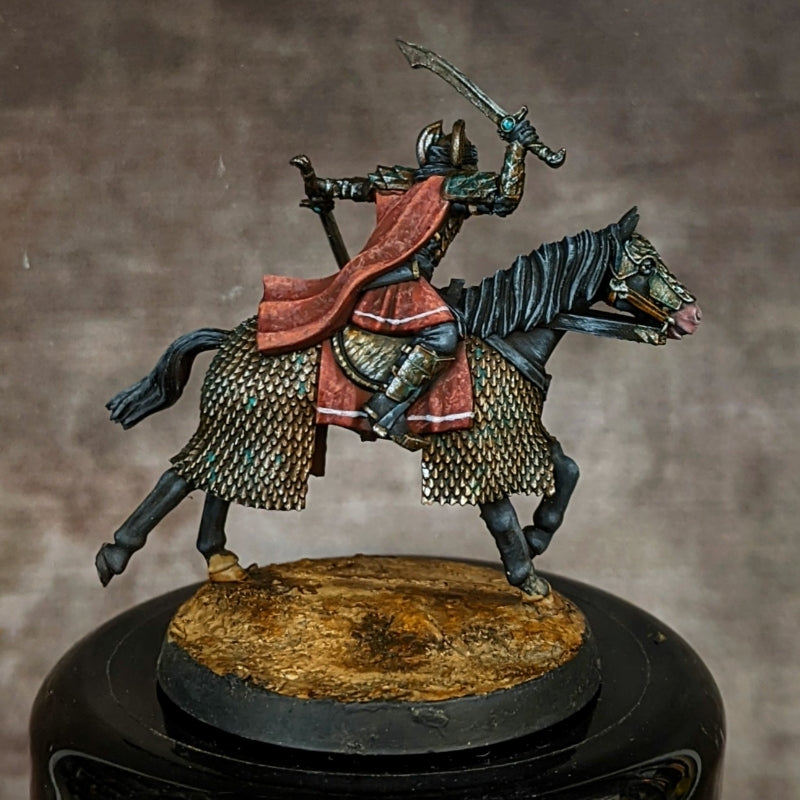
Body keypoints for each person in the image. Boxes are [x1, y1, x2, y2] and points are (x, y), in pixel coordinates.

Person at [256, 117, 541, 449]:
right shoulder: (449, 187)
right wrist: (517, 146)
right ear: (460, 163)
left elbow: (350, 188)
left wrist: (317, 185)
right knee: (443, 334)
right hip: (399, 285)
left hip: (383, 277)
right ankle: (385, 408)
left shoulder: (401, 182)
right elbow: (505, 197)